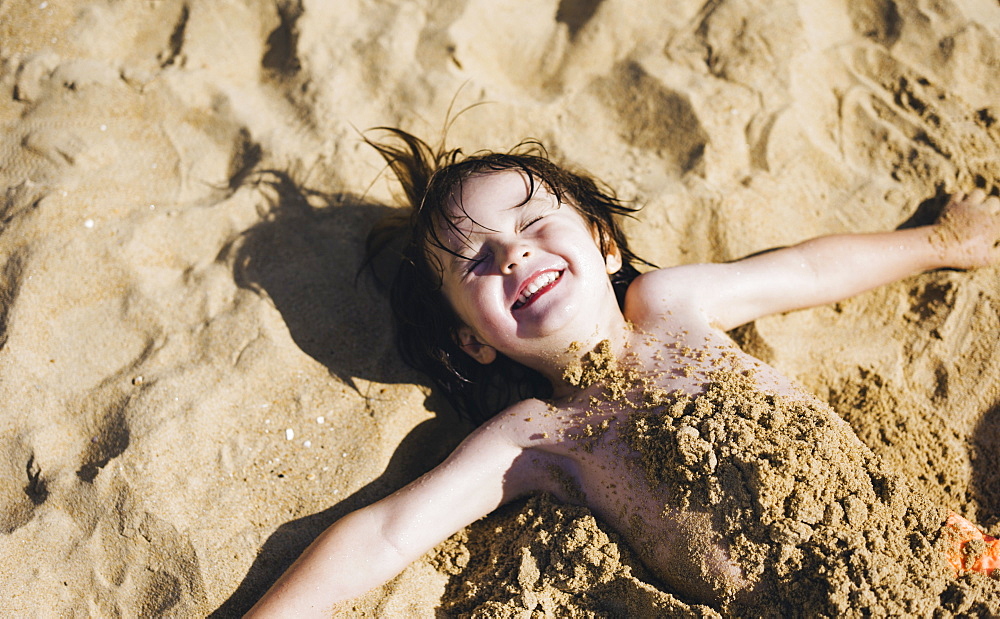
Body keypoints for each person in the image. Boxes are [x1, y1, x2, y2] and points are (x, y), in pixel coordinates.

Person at [246, 129, 1000, 616]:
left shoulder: (670, 303)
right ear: (472, 340)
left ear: (604, 244)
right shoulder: (536, 436)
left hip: (937, 550)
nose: (512, 253)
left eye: (532, 222)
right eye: (477, 260)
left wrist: (938, 241)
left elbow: (804, 269)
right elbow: (384, 534)